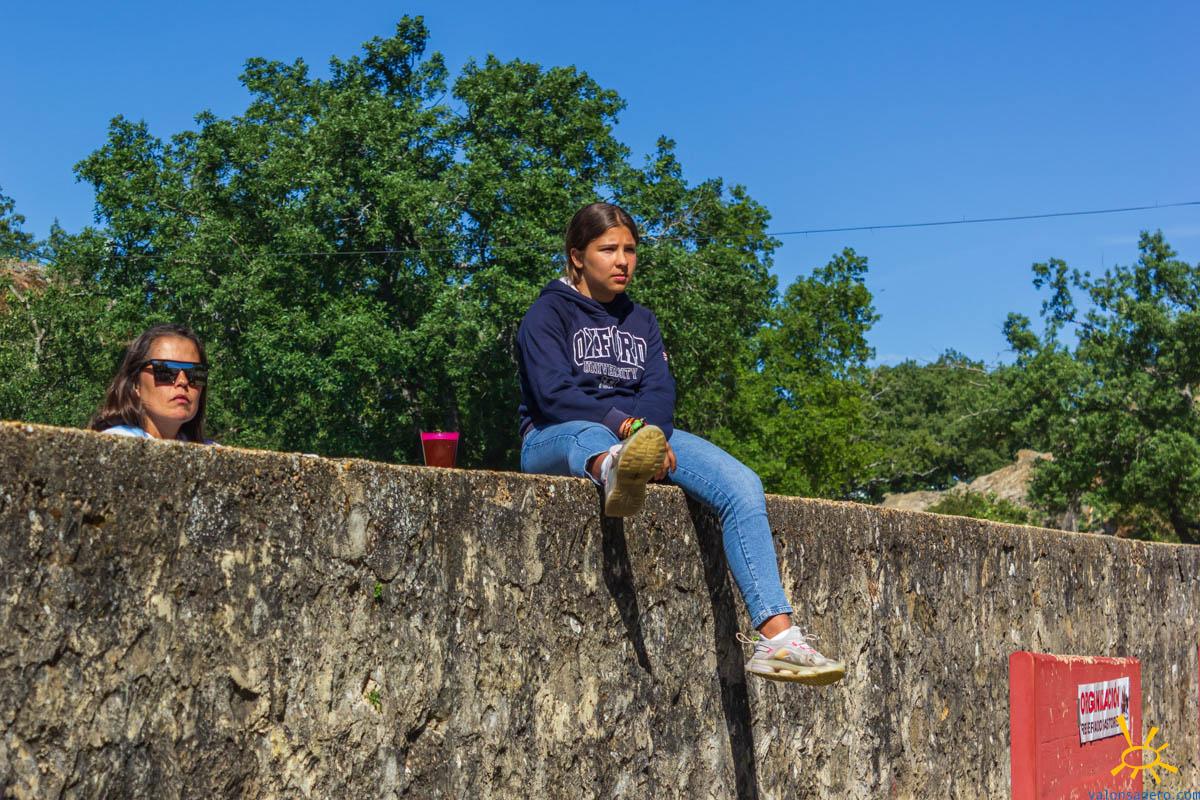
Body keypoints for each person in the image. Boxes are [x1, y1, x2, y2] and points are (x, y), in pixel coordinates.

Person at [517, 202, 845, 685]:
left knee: (742, 485)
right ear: (577, 256)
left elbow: (659, 392)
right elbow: (554, 394)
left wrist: (647, 433)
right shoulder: (546, 313)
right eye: (608, 249)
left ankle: (778, 639)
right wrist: (627, 428)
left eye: (630, 250)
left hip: (641, 435)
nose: (622, 261)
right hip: (556, 437)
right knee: (591, 435)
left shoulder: (642, 321)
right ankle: (614, 468)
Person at [89, 323, 211, 443]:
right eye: (166, 370)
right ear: (136, 383)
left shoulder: (211, 451)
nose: (183, 381)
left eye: (195, 373)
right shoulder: (111, 444)